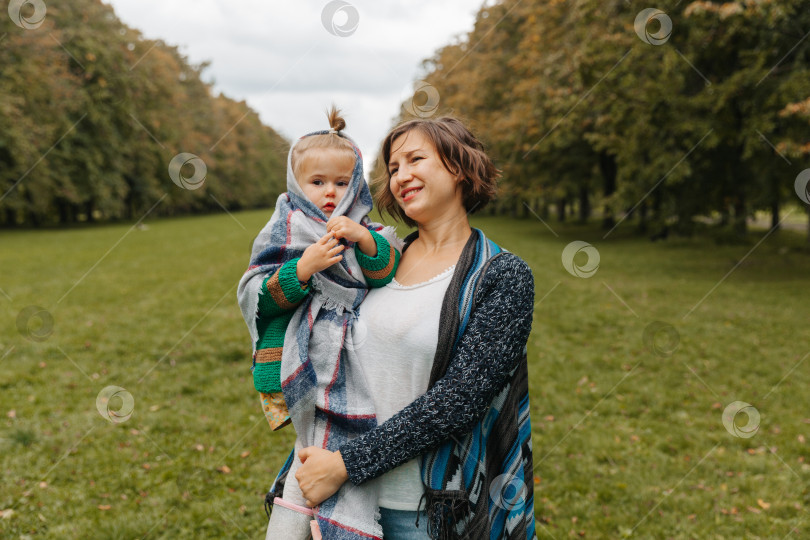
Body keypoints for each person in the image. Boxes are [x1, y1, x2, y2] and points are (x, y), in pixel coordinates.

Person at [285, 116, 538, 539]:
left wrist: (346, 464)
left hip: (425, 513)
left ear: (458, 167)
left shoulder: (503, 275)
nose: (401, 175)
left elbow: (460, 399)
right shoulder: (377, 260)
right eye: (394, 167)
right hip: (341, 501)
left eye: (414, 159)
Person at [237, 107, 400, 540]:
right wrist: (302, 270)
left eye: (342, 182)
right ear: (296, 184)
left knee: (347, 443)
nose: (330, 192)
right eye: (318, 182)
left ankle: (334, 523)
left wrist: (363, 239)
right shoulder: (286, 229)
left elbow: (385, 270)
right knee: (311, 445)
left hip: (359, 360)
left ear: (357, 184)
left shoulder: (366, 228)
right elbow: (260, 297)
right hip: (307, 359)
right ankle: (301, 519)